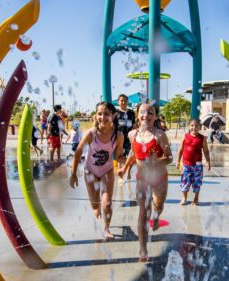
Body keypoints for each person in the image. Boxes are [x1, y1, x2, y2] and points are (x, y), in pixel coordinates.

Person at [118, 102, 172, 261]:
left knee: (158, 207)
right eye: (143, 112)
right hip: (142, 180)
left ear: (155, 116)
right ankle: (143, 249)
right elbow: (132, 154)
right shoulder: (132, 135)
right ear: (137, 115)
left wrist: (157, 162)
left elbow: (169, 158)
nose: (146, 115)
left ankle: (156, 217)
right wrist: (125, 168)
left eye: (150, 112)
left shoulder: (160, 135)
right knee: (143, 212)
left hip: (159, 179)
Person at [70, 102, 124, 240]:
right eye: (100, 113)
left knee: (107, 203)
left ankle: (107, 228)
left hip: (107, 170)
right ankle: (96, 207)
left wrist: (128, 162)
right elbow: (77, 153)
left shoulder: (118, 136)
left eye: (106, 114)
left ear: (113, 116)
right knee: (95, 206)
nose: (102, 117)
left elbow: (118, 156)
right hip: (91, 171)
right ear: (95, 116)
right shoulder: (91, 134)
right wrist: (73, 174)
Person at [176, 118, 211, 205]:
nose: (194, 127)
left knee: (197, 182)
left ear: (200, 127)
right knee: (185, 181)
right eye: (192, 125)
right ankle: (184, 198)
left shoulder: (202, 138)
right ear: (189, 126)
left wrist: (208, 161)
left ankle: (196, 198)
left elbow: (206, 151)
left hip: (197, 165)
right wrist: (178, 161)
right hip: (186, 164)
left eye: (196, 126)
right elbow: (180, 150)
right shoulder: (185, 136)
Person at [115, 94, 136, 180]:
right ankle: (121, 174)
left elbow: (134, 125)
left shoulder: (131, 113)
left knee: (131, 157)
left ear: (127, 102)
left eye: (125, 101)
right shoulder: (116, 113)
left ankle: (128, 172)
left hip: (130, 139)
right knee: (120, 157)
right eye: (121, 100)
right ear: (118, 102)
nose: (123, 102)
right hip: (120, 139)